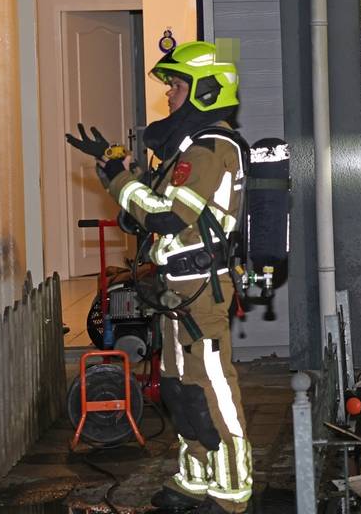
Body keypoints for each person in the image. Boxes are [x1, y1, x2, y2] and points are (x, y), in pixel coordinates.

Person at [66, 41, 251, 513]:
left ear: (205, 90)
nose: (168, 94)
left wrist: (119, 180)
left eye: (176, 85)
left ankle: (232, 492)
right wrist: (122, 169)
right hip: (177, 290)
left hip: (201, 289)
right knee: (179, 388)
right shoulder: (187, 148)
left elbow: (167, 216)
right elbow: (144, 213)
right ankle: (195, 479)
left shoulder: (210, 147)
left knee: (210, 387)